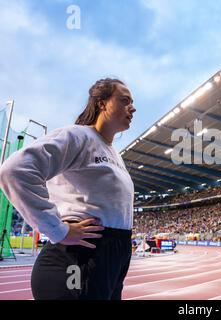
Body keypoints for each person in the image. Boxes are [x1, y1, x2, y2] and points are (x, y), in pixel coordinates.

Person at [0, 78, 136, 299]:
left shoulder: (115, 155)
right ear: (102, 103)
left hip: (112, 261)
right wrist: (58, 230)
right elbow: (14, 170)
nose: (133, 107)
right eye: (125, 100)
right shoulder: (77, 136)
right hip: (76, 260)